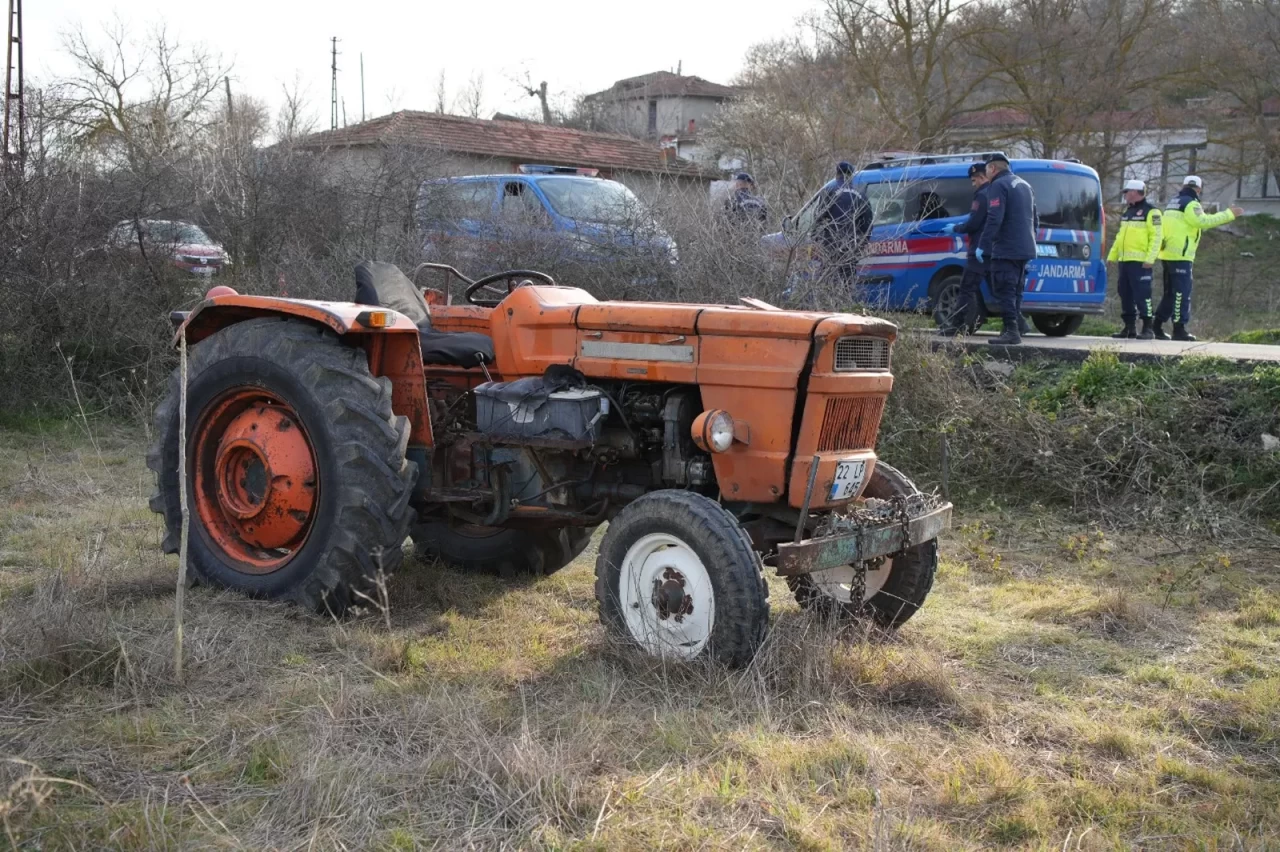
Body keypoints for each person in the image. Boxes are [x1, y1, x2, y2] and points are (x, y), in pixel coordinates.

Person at [1154, 176, 1243, 341]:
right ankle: (1179, 329)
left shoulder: (1173, 203)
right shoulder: (1191, 203)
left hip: (1167, 254)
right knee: (1182, 292)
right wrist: (1229, 214)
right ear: (1199, 189)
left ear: (1183, 186)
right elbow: (1203, 221)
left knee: (1170, 293)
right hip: (1181, 255)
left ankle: (1157, 325)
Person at [977, 153, 1038, 346]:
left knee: (1004, 288)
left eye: (986, 169)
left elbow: (995, 217)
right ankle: (1015, 326)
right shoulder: (1025, 185)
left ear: (993, 168)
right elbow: (1035, 218)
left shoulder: (998, 185)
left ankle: (1011, 330)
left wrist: (983, 244)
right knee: (1016, 289)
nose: (985, 173)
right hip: (1025, 247)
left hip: (1006, 247)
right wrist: (1030, 240)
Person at [938, 162, 991, 335]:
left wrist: (956, 228)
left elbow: (974, 223)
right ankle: (1018, 324)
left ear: (982, 177)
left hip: (979, 248)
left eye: (974, 180)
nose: (973, 184)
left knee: (966, 287)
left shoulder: (982, 196)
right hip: (993, 249)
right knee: (1001, 289)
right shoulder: (997, 193)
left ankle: (955, 325)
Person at [1107, 179, 1163, 340]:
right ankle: (1129, 327)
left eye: (1126, 192)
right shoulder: (1128, 212)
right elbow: (1119, 237)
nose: (1125, 195)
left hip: (1141, 263)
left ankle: (1148, 328)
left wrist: (1150, 259)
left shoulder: (1152, 212)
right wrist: (1112, 256)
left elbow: (1157, 237)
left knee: (1142, 294)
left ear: (1135, 192)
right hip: (1125, 261)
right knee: (1125, 293)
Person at [814, 161, 874, 288]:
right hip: (851, 248)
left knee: (828, 283)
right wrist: (861, 245)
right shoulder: (861, 196)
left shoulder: (829, 192)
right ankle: (844, 306)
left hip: (830, 247)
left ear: (837, 174)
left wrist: (817, 239)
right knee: (847, 283)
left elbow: (818, 219)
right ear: (851, 175)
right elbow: (868, 225)